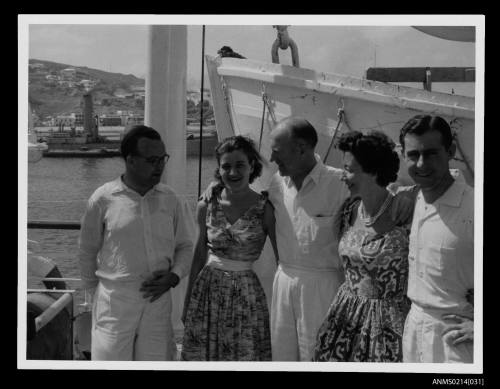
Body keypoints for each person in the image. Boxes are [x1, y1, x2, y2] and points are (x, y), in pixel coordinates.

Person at [200, 117, 413, 361]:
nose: (271, 158)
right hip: (284, 282)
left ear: (301, 149)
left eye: (277, 151)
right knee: (281, 357)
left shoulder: (338, 182)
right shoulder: (278, 183)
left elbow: (378, 189)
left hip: (324, 287)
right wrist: (215, 186)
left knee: (318, 355)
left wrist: (402, 195)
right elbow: (245, 194)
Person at [78, 125, 194, 361]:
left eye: (163, 159)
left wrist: (174, 276)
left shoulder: (171, 199)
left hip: (158, 300)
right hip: (115, 302)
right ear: (130, 161)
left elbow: (186, 245)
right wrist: (95, 294)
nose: (159, 166)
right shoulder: (103, 199)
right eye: (152, 160)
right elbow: (87, 251)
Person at [313, 130, 411, 362]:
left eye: (349, 169)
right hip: (345, 315)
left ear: (374, 170)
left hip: (389, 322)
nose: (342, 176)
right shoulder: (349, 210)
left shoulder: (406, 211)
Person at [181, 136, 279, 361]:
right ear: (218, 169)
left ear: (252, 166)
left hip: (246, 294)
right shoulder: (206, 205)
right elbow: (198, 255)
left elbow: (282, 259)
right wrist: (187, 303)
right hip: (207, 291)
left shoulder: (265, 209)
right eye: (226, 166)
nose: (233, 172)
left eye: (240, 165)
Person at [399, 115, 474, 363]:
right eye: (413, 155)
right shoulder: (417, 198)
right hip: (414, 332)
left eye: (431, 154)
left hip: (458, 342)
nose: (421, 164)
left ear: (450, 151)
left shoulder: (473, 206)